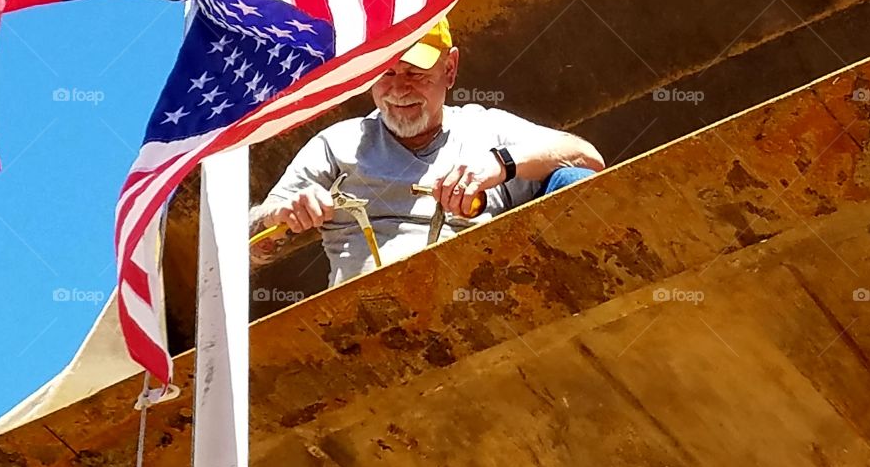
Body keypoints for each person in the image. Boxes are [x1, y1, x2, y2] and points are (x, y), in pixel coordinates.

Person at [251, 17, 605, 285]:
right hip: (366, 322)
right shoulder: (336, 145)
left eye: (415, 73)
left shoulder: (485, 129)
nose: (399, 90)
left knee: (572, 182)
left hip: (482, 312)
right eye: (386, 74)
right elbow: (246, 250)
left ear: (449, 69)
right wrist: (277, 218)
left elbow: (586, 158)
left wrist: (501, 164)